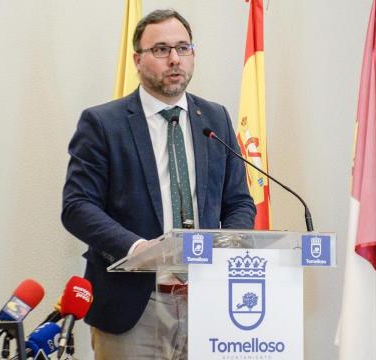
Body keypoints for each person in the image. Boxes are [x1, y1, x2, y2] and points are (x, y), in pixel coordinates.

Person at [61, 9, 256, 360]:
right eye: (161, 50)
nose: (175, 59)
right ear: (137, 59)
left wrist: (226, 252)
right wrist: (137, 250)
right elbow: (77, 206)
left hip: (207, 300)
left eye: (183, 47)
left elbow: (239, 202)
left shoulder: (216, 118)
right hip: (133, 304)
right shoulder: (103, 123)